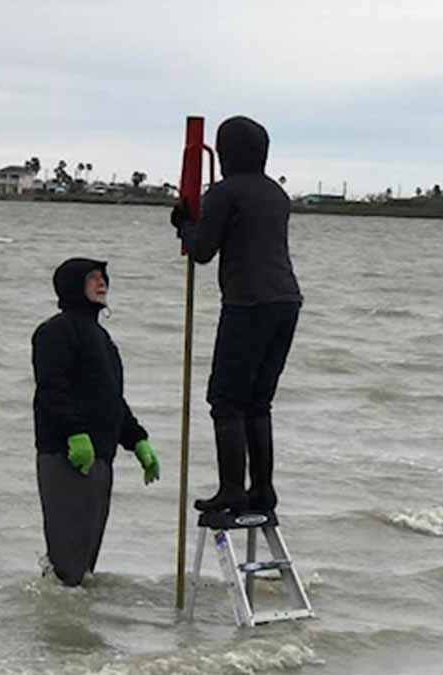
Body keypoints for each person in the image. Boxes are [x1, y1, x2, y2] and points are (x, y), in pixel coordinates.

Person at [171, 115, 302, 514]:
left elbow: (203, 251)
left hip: (248, 303)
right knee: (258, 402)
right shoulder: (276, 193)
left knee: (226, 400)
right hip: (286, 301)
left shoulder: (225, 192)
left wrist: (183, 225)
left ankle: (232, 489)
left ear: (225, 153)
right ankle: (262, 489)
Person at [32, 257, 160, 586]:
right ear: (73, 285)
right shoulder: (54, 331)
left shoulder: (103, 339)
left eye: (103, 277)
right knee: (68, 562)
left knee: (86, 561)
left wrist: (137, 440)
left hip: (101, 456)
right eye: (92, 278)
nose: (102, 283)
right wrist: (74, 434)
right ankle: (56, 627)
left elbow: (111, 399)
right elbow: (51, 390)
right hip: (66, 455)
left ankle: (77, 628)